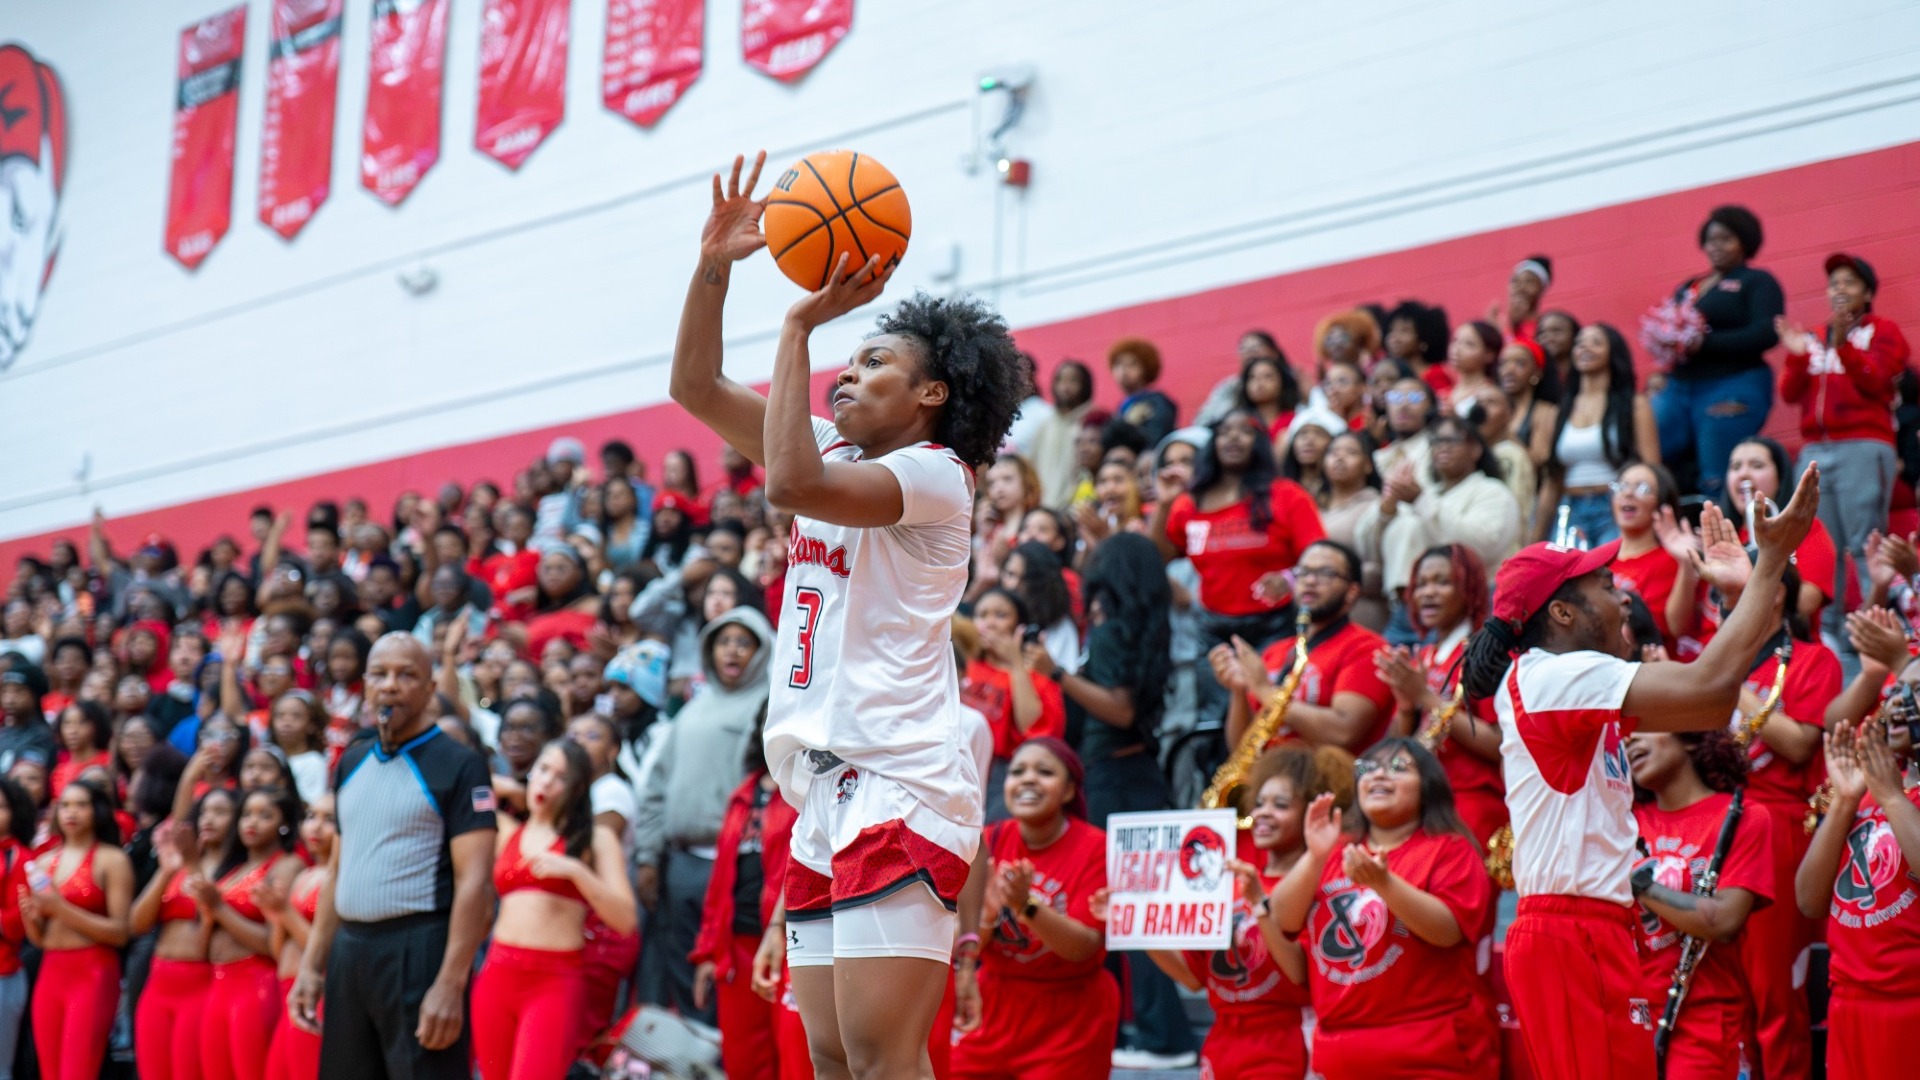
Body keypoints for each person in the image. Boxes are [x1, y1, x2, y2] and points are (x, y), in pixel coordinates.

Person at [667, 152, 1020, 1079]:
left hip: (900, 781)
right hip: (823, 787)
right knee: (829, 1059)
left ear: (932, 394)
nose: (847, 376)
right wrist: (714, 268)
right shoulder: (834, 451)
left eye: (875, 362)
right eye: (850, 360)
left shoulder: (936, 476)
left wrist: (797, 324)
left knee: (881, 1059)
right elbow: (694, 388)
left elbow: (789, 483)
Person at [1456, 469, 1817, 1080]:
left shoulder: (1562, 683)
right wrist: (1771, 563)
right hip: (1569, 927)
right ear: (1562, 612)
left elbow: (1710, 705)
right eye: (1605, 585)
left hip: (1594, 925)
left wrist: (1741, 597)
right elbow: (1707, 688)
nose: (1624, 596)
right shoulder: (1551, 676)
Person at [287, 634, 498, 1080]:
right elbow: (337, 870)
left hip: (418, 948)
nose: (390, 685)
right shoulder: (352, 760)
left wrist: (451, 983)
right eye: (380, 674)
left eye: (406, 675)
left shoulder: (459, 764)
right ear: (365, 684)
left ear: (430, 687)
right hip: (349, 951)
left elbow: (475, 884)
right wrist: (311, 965)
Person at [1269, 739, 1499, 1078]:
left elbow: (1448, 931)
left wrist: (1384, 884)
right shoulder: (1336, 850)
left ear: (1427, 786)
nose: (1379, 775)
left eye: (1398, 768)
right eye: (1369, 768)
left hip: (1428, 1049)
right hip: (1340, 1050)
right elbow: (1282, 919)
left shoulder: (1451, 849)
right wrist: (1314, 856)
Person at [1137, 745, 1347, 1080]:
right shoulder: (1230, 883)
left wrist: (1259, 903)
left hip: (1287, 1038)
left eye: (1280, 805)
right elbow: (1193, 978)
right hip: (1223, 1039)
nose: (1262, 813)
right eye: (1259, 803)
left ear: (1312, 813)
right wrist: (1137, 926)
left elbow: (1299, 975)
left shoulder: (1321, 882)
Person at [635, 606, 774, 1022]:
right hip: (681, 862)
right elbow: (656, 785)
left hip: (737, 866)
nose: (732, 651)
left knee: (728, 977)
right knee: (683, 969)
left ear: (762, 651)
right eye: (723, 642)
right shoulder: (693, 709)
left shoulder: (768, 705)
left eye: (744, 643)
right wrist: (648, 855)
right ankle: (695, 1050)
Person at [951, 739, 1116, 1080]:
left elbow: (1083, 948)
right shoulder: (988, 840)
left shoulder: (1097, 847)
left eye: (1044, 772)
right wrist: (987, 916)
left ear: (1069, 790)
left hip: (1070, 1014)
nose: (1028, 779)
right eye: (1017, 772)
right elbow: (961, 943)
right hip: (995, 1002)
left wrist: (1026, 906)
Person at [472, 739, 636, 1080]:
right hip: (497, 974)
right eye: (543, 769)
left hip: (553, 981)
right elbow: (471, 786)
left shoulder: (594, 839)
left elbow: (625, 920)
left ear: (577, 789)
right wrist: (516, 791)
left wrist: (576, 872)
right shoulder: (507, 830)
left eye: (560, 777)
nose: (546, 782)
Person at [1150, 409, 1326, 725]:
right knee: (1215, 721)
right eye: (1224, 431)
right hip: (1212, 630)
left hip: (1275, 625)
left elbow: (1321, 557)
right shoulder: (1190, 502)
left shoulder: (1286, 495)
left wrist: (1289, 578)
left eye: (1244, 431)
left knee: (1269, 716)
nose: (1233, 438)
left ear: (1259, 442)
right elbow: (1160, 556)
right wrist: (1164, 504)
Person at [1626, 729, 1774, 1080]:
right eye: (1625, 733)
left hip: (1706, 1026)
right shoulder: (1623, 822)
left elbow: (1723, 921)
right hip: (1631, 1018)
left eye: (1646, 725)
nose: (1630, 739)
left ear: (1691, 736)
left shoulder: (1744, 816)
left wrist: (1639, 884)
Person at [1779, 252, 1911, 643]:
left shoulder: (1883, 331)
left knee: (1866, 541)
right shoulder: (1813, 337)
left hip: (1863, 445)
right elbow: (1789, 393)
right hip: (1815, 449)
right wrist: (1797, 356)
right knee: (1823, 546)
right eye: (1834, 283)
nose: (1839, 289)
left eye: (1849, 282)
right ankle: (1831, 636)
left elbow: (1879, 381)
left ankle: (1881, 633)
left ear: (1867, 293)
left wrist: (1843, 346)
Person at [1794, 705, 1920, 1080]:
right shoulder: (1867, 794)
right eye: (1895, 691)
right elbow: (1809, 901)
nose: (1897, 702)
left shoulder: (1889, 793)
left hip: (1909, 1001)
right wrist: (1845, 801)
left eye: (1916, 690)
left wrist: (1893, 799)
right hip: (1848, 1000)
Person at [1375, 544, 1507, 845]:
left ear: (1469, 589)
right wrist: (1407, 707)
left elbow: (1499, 743)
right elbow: (1396, 746)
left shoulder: (1485, 653)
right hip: (1420, 800)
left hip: (1470, 802)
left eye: (1442, 582)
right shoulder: (1424, 656)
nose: (1428, 593)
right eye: (1421, 584)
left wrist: (1425, 697)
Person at [1213, 540, 1395, 755]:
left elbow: (1343, 732)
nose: (1310, 580)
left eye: (1326, 573)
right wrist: (1238, 690)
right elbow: (1240, 749)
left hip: (1328, 774)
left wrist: (1265, 691)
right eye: (1303, 572)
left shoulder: (1368, 648)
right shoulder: (1276, 651)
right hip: (1268, 772)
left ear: (1352, 592)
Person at [1651, 206, 1784, 497]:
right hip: (1680, 387)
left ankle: (1722, 521)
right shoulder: (1690, 287)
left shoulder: (1757, 281)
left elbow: (1766, 332)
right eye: (1711, 240)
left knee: (1716, 473)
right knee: (1655, 457)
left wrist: (1706, 343)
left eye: (1726, 239)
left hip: (1733, 383)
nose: (1716, 246)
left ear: (1744, 242)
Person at [692, 724, 796, 1080]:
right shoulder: (744, 793)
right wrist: (708, 951)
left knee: (793, 1055)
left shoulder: (808, 788)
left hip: (788, 942)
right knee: (741, 1059)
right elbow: (720, 878)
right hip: (736, 943)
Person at [1357, 414, 1522, 632]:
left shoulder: (1493, 492)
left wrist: (1421, 501)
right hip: (1404, 610)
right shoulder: (1422, 491)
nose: (1443, 447)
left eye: (1452, 440)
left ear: (1475, 449)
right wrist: (1387, 509)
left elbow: (1483, 545)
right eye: (1436, 441)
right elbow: (1366, 549)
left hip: (1464, 610)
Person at [189, 786, 304, 1080]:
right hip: (217, 984)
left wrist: (219, 908)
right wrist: (208, 913)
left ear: (284, 823)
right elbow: (201, 950)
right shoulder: (231, 870)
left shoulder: (286, 865)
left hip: (255, 985)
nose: (252, 822)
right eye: (246, 814)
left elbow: (270, 945)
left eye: (265, 815)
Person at [23, 781, 133, 1080]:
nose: (71, 812)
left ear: (97, 810)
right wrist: (30, 917)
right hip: (51, 971)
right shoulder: (43, 862)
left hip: (93, 973)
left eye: (81, 804)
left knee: (78, 1071)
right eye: (65, 805)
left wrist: (61, 909)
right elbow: (41, 939)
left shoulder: (112, 860)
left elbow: (120, 932)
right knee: (49, 1073)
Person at [130, 803, 228, 1080]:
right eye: (205, 812)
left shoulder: (233, 871)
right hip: (158, 982)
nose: (209, 819)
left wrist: (193, 864)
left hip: (200, 984)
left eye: (220, 812)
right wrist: (166, 871)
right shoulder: (178, 865)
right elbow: (136, 924)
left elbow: (203, 937)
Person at [1539, 323, 1659, 546]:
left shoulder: (1634, 405)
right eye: (1579, 343)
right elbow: (1552, 479)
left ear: (1613, 352)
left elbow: (1652, 469)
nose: (1585, 347)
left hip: (1617, 505)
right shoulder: (1559, 411)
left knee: (1614, 567)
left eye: (1596, 342)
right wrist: (1535, 534)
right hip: (1570, 508)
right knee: (1569, 569)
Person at [961, 587, 1065, 819]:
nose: (989, 623)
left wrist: (1015, 663)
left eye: (1001, 615)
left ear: (1020, 626)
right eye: (982, 615)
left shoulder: (1036, 677)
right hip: (958, 762)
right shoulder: (962, 665)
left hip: (1002, 775)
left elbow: (1034, 728)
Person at [261, 793, 335, 1080]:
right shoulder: (303, 875)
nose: (316, 826)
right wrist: (275, 916)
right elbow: (279, 950)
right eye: (311, 816)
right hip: (286, 989)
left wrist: (285, 913)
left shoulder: (337, 879)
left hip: (316, 993)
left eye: (329, 819)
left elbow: (325, 951)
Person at [1025, 360, 1096, 510]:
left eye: (1073, 381)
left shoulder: (1092, 421)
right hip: (1043, 508)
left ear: (1086, 385)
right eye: (1060, 380)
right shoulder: (1044, 424)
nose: (1065, 386)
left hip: (1079, 508)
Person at [1109, 336, 1178, 447]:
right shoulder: (1121, 407)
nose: (1123, 371)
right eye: (1118, 364)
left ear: (1146, 368)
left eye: (1132, 364)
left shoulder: (1158, 403)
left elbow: (1156, 440)